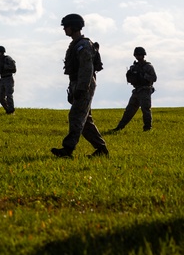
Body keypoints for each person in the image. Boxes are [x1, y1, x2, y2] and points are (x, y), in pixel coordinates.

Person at [51, 14, 107, 158]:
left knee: (76, 115)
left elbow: (86, 69)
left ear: (74, 26)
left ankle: (68, 149)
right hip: (78, 82)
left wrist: (82, 88)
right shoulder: (75, 44)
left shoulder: (83, 45)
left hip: (84, 83)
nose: (64, 29)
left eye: (66, 26)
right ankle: (101, 150)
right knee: (85, 120)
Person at [112, 46, 157, 132]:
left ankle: (147, 128)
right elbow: (130, 79)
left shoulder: (148, 67)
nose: (138, 57)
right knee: (129, 110)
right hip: (136, 90)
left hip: (145, 90)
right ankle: (120, 127)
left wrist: (144, 75)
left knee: (146, 110)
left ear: (143, 56)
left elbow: (154, 78)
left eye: (140, 55)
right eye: (137, 55)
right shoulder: (134, 67)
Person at [0, 45, 16, 114]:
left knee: (8, 95)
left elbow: (13, 67)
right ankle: (8, 109)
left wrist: (4, 67)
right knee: (1, 97)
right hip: (2, 79)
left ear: (2, 52)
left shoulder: (8, 59)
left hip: (8, 78)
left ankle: (11, 110)